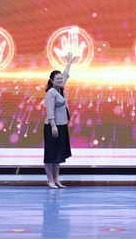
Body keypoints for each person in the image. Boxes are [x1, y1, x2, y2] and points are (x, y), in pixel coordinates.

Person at [44, 53, 74, 189]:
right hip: (53, 126)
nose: (60, 80)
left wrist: (69, 63)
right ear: (52, 80)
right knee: (50, 153)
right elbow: (50, 112)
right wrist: (53, 126)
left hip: (62, 125)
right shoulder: (51, 93)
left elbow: (66, 75)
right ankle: (49, 180)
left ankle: (56, 179)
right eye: (57, 79)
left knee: (58, 154)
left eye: (61, 78)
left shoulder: (60, 89)